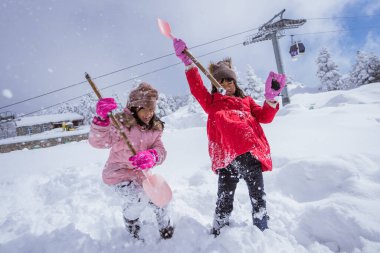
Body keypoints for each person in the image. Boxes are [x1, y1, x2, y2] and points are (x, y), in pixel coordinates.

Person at [173, 38, 286, 236]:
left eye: (230, 80)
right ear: (216, 86)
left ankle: (262, 232)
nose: (227, 84)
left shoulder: (246, 101)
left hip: (251, 155)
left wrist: (270, 99)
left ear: (235, 82)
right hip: (227, 159)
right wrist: (189, 64)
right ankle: (218, 232)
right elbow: (197, 88)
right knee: (224, 199)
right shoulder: (212, 103)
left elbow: (265, 118)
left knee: (258, 197)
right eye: (222, 81)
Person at [88, 83, 174, 241]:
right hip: (118, 174)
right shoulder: (120, 124)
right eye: (145, 109)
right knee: (138, 199)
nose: (149, 114)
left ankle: (165, 226)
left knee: (159, 199)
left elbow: (161, 150)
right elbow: (98, 142)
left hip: (141, 174)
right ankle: (131, 221)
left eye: (151, 109)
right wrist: (102, 120)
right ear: (135, 108)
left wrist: (153, 155)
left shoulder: (154, 128)